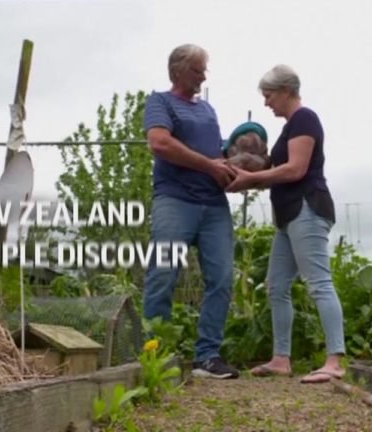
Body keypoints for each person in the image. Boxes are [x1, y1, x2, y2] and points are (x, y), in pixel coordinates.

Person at [226, 64, 346, 384]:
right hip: (288, 216)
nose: (266, 103)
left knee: (318, 282)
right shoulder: (288, 127)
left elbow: (295, 170)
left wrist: (252, 177)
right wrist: (243, 174)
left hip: (307, 207)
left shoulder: (305, 119)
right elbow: (274, 175)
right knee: (277, 286)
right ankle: (281, 359)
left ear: (287, 91)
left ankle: (335, 360)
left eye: (269, 95)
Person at [142, 43, 240, 379]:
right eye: (198, 70)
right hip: (175, 201)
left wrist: (238, 158)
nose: (204, 75)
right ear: (179, 70)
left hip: (214, 205)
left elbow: (216, 152)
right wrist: (210, 167)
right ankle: (157, 356)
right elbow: (160, 143)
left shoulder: (208, 110)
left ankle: (207, 357)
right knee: (163, 276)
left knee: (223, 279)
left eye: (204, 69)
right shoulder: (161, 102)